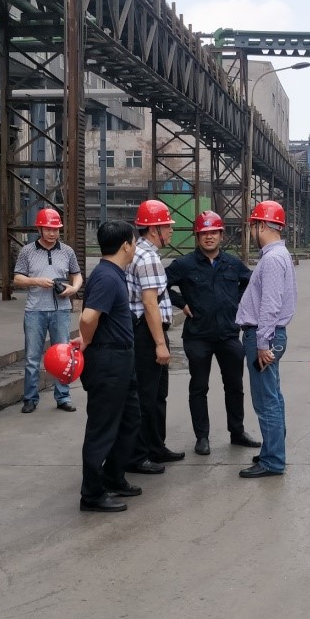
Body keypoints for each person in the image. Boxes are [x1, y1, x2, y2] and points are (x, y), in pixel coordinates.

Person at [165, 210, 259, 456]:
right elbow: (159, 284)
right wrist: (181, 303)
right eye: (204, 233)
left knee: (235, 386)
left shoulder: (232, 263)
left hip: (228, 334)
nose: (209, 237)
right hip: (198, 336)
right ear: (197, 236)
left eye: (213, 232)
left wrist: (237, 302)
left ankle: (237, 432)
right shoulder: (184, 265)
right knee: (199, 387)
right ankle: (202, 437)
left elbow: (250, 282)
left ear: (221, 235)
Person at [74, 220, 143, 513]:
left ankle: (113, 476)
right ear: (126, 245)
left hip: (121, 359)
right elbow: (88, 317)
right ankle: (92, 494)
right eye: (134, 242)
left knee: (130, 419)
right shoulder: (106, 276)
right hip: (108, 360)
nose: (135, 247)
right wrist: (87, 341)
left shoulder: (113, 274)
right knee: (102, 428)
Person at [235, 200, 297, 478]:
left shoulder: (272, 259)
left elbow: (270, 305)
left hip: (264, 336)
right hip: (271, 335)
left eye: (252, 227)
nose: (251, 232)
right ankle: (274, 450)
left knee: (265, 400)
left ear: (260, 226)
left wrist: (262, 343)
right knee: (273, 396)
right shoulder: (279, 255)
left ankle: (272, 460)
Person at [127, 199, 183, 475]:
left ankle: (155, 446)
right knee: (146, 396)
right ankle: (139, 455)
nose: (171, 231)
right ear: (153, 230)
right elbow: (150, 303)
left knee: (157, 394)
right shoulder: (147, 257)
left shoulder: (139, 253)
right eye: (166, 226)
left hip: (147, 331)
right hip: (148, 334)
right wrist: (160, 343)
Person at [12, 207, 83, 414]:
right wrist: (37, 281)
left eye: (56, 229)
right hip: (35, 310)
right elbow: (17, 278)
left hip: (61, 310)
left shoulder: (67, 251)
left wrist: (74, 289)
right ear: (39, 229)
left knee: (64, 355)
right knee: (32, 357)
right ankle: (30, 398)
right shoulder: (27, 251)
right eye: (48, 229)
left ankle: (63, 397)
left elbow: (77, 275)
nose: (52, 233)